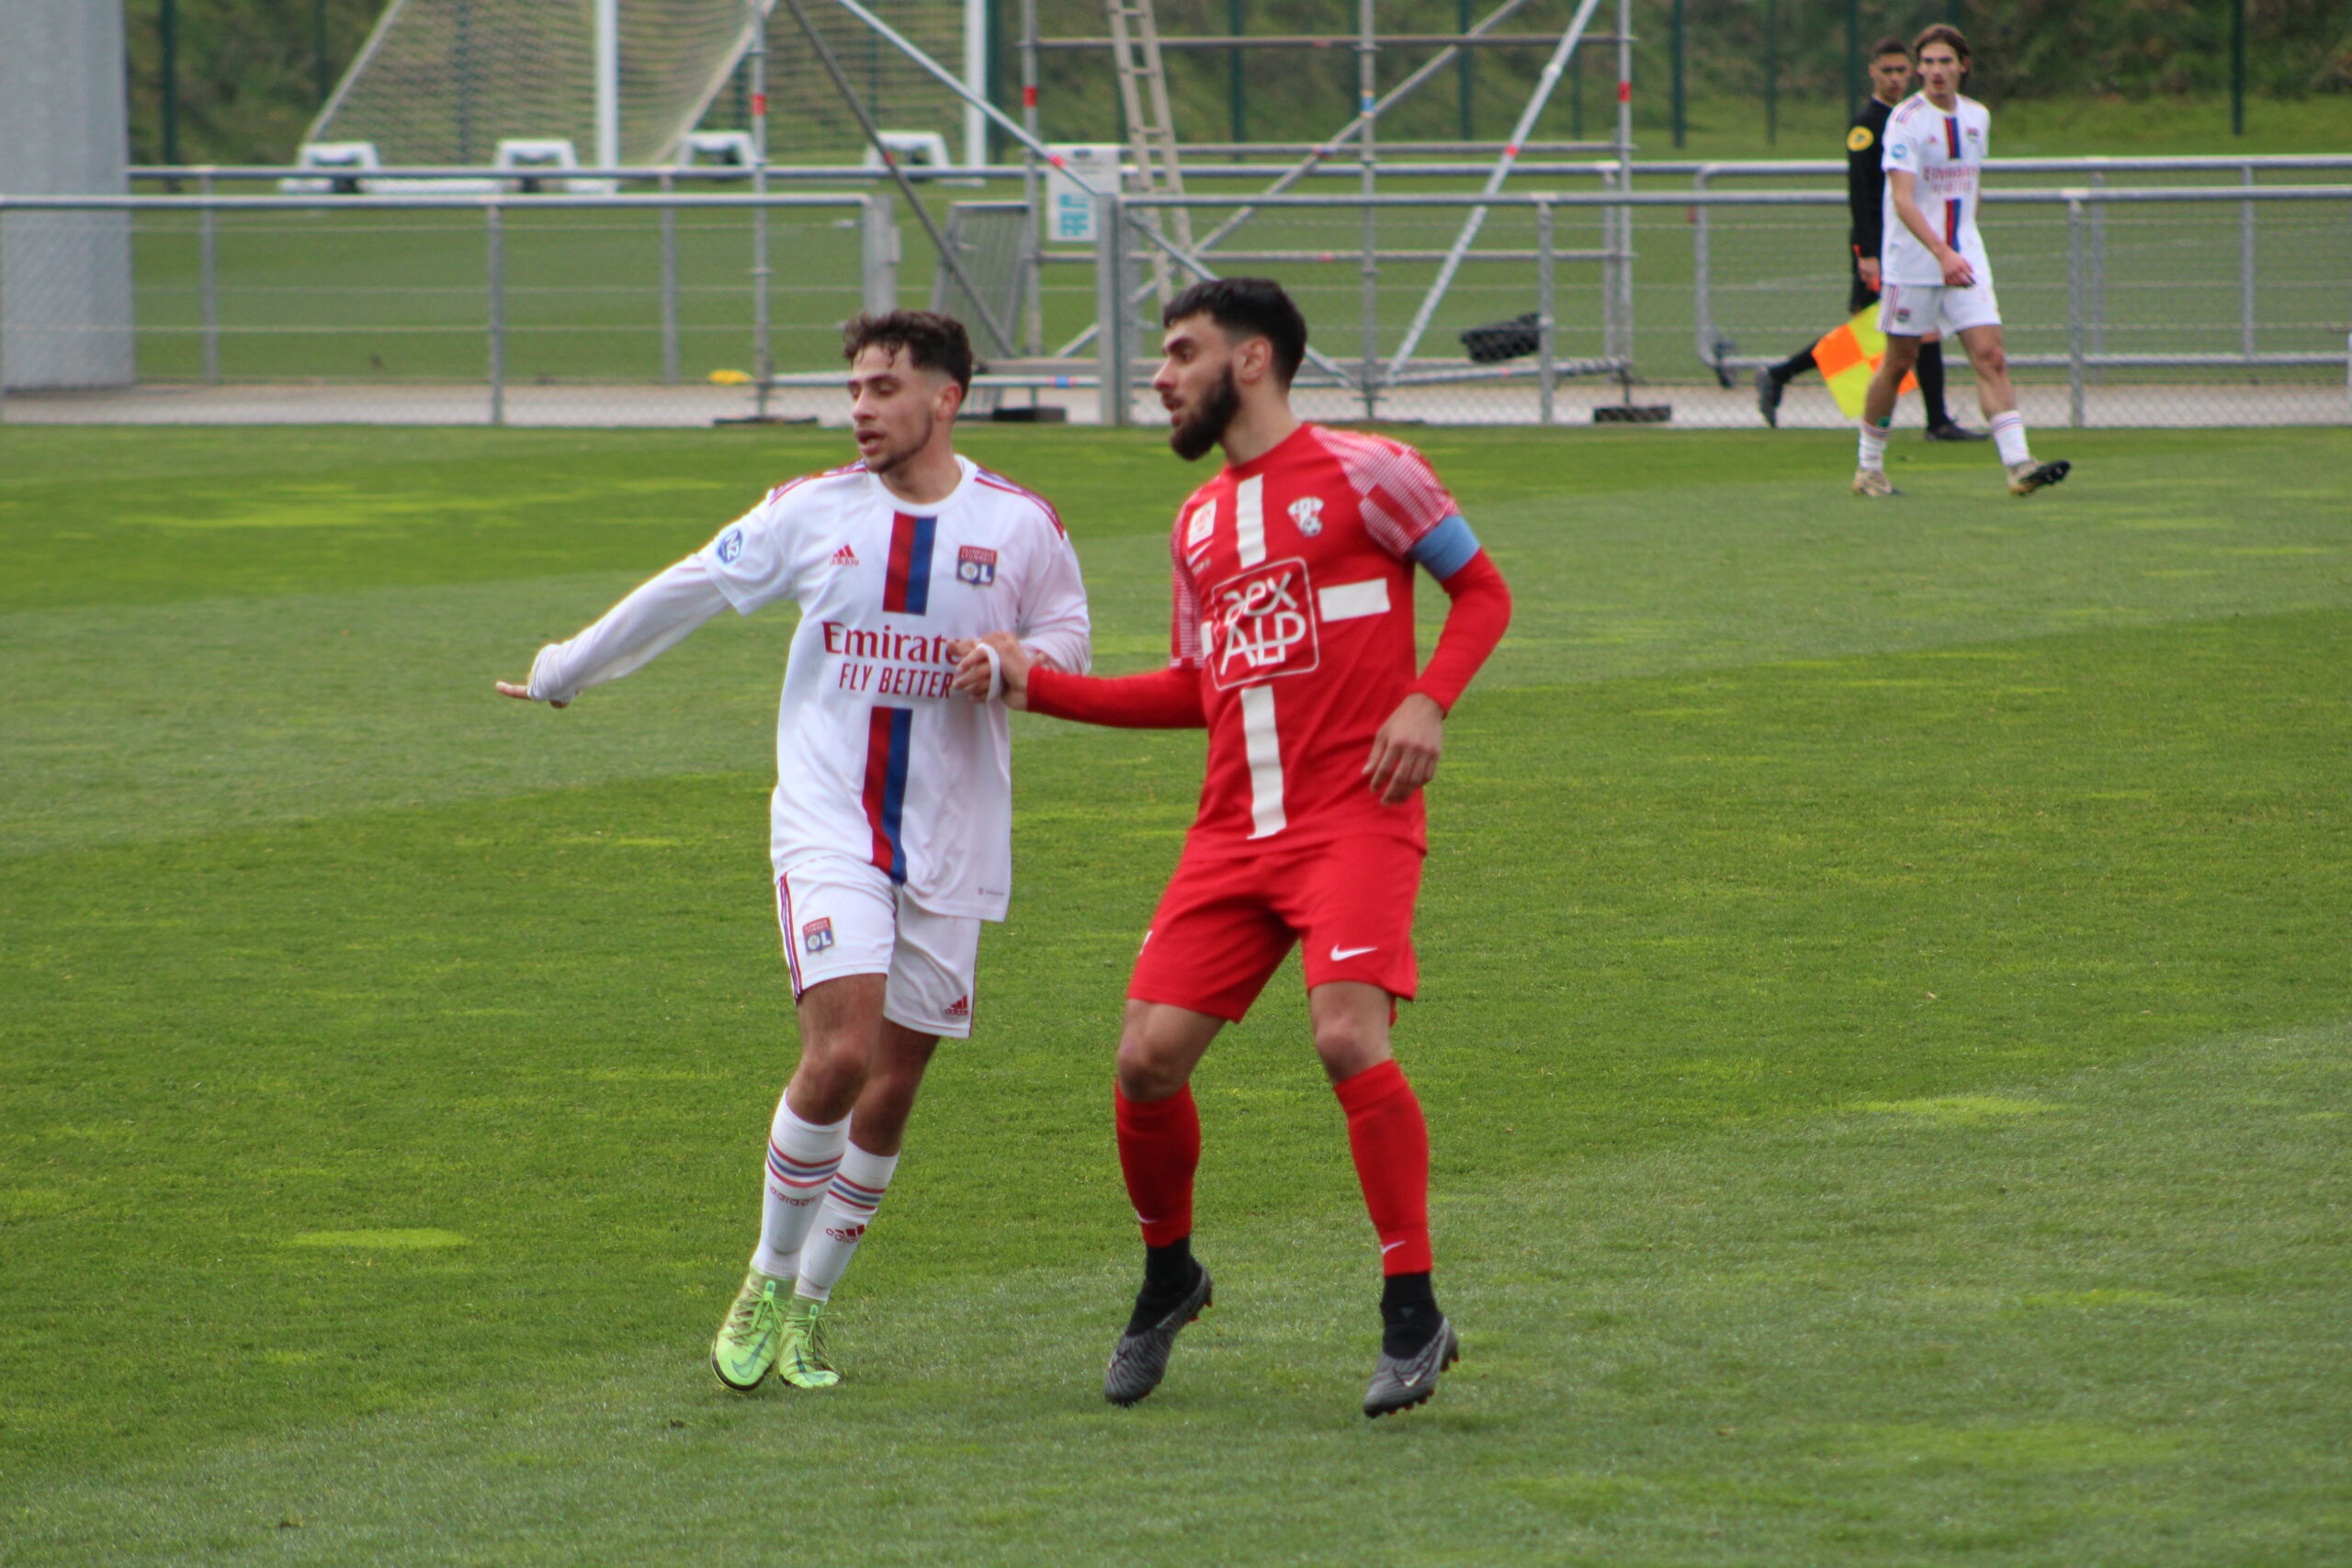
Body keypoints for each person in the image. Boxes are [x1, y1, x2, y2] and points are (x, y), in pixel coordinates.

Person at [494, 310, 1091, 1393]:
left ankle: (813, 1306)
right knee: (840, 1055)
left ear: (945, 398)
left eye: (881, 388)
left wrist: (1011, 659)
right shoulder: (811, 513)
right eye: (853, 388)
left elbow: (1069, 644)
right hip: (828, 827)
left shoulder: (1020, 527)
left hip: (952, 840)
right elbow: (687, 586)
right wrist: (562, 670)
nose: (859, 408)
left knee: (893, 1089)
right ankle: (768, 1275)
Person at [949, 278, 1513, 1418]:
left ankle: (1413, 1308)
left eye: (1178, 352)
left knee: (1345, 1034)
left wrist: (1429, 701)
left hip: (1354, 815)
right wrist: (1033, 684)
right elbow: (1201, 690)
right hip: (1231, 833)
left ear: (1251, 361)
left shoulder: (1371, 471)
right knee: (1144, 1062)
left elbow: (1483, 592)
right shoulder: (1196, 524)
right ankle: (1169, 1276)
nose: (1159, 374)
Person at [1854, 27, 2070, 499]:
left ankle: (2018, 464)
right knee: (1899, 362)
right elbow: (1904, 201)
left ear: (1963, 66)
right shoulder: (1906, 120)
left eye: (1944, 62)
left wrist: (1963, 246)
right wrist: (1941, 252)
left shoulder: (1977, 117)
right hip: (1913, 260)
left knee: (1991, 356)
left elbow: (1970, 186)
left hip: (1964, 257)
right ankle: (1869, 467)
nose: (1935, 71)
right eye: (1927, 63)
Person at [1755, 35, 1984, 442]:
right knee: (1875, 332)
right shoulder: (1868, 123)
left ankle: (1937, 421)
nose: (1895, 79)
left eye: (1901, 71)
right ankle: (1780, 374)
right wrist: (1867, 252)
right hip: (1882, 246)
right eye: (1887, 71)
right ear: (1872, 73)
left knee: (1917, 331)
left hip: (1914, 243)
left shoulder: (1917, 118)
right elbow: (1860, 191)